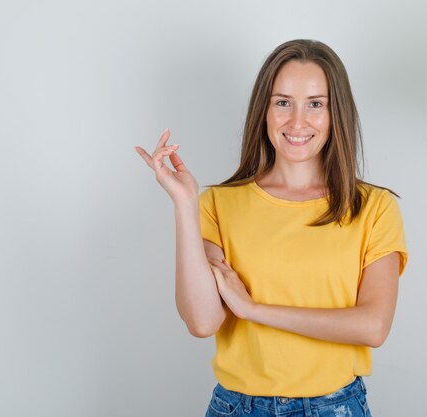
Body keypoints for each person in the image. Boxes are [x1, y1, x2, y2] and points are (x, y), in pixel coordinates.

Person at [135, 39, 407, 417]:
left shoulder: (374, 207)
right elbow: (202, 321)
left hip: (334, 407)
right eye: (283, 102)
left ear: (336, 114)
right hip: (237, 407)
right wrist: (184, 204)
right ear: (264, 110)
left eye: (316, 104)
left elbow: (373, 327)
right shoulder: (217, 204)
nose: (298, 121)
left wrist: (252, 309)